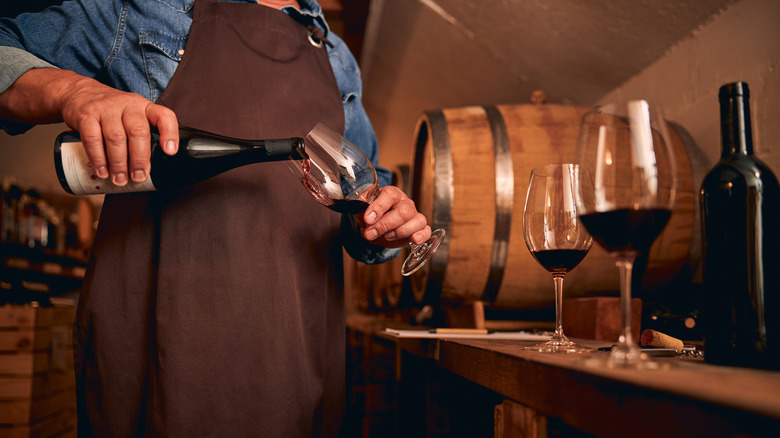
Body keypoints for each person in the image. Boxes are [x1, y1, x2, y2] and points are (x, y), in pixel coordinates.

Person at [0, 0, 432, 436]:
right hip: (161, 351)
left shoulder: (337, 57)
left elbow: (363, 201)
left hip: (294, 355)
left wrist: (382, 224)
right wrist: (74, 90)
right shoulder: (145, 11)